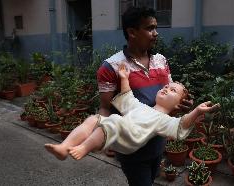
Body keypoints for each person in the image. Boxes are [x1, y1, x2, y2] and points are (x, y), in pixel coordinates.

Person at [96, 6, 194, 186]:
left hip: (158, 143)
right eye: (150, 28)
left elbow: (170, 96)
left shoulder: (161, 61)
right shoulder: (111, 67)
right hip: (132, 148)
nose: (156, 33)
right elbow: (105, 107)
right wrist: (101, 135)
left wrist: (182, 103)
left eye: (155, 28)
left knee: (150, 179)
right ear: (132, 32)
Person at [44, 63, 219, 162]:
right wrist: (124, 77)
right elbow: (127, 97)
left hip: (133, 139)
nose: (166, 89)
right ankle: (64, 147)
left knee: (114, 120)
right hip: (119, 132)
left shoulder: (164, 120)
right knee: (93, 119)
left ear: (178, 105)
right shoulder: (140, 106)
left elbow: (182, 124)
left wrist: (196, 111)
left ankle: (83, 148)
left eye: (173, 90)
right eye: (166, 86)